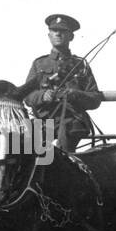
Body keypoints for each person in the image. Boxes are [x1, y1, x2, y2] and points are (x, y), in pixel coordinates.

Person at [21, 14, 102, 153]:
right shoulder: (39, 63)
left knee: (62, 156)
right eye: (54, 30)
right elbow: (28, 97)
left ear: (71, 36)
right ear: (49, 35)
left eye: (63, 31)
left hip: (71, 122)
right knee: (24, 148)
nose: (58, 33)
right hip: (44, 120)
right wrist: (43, 95)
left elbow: (95, 99)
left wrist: (75, 94)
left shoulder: (80, 65)